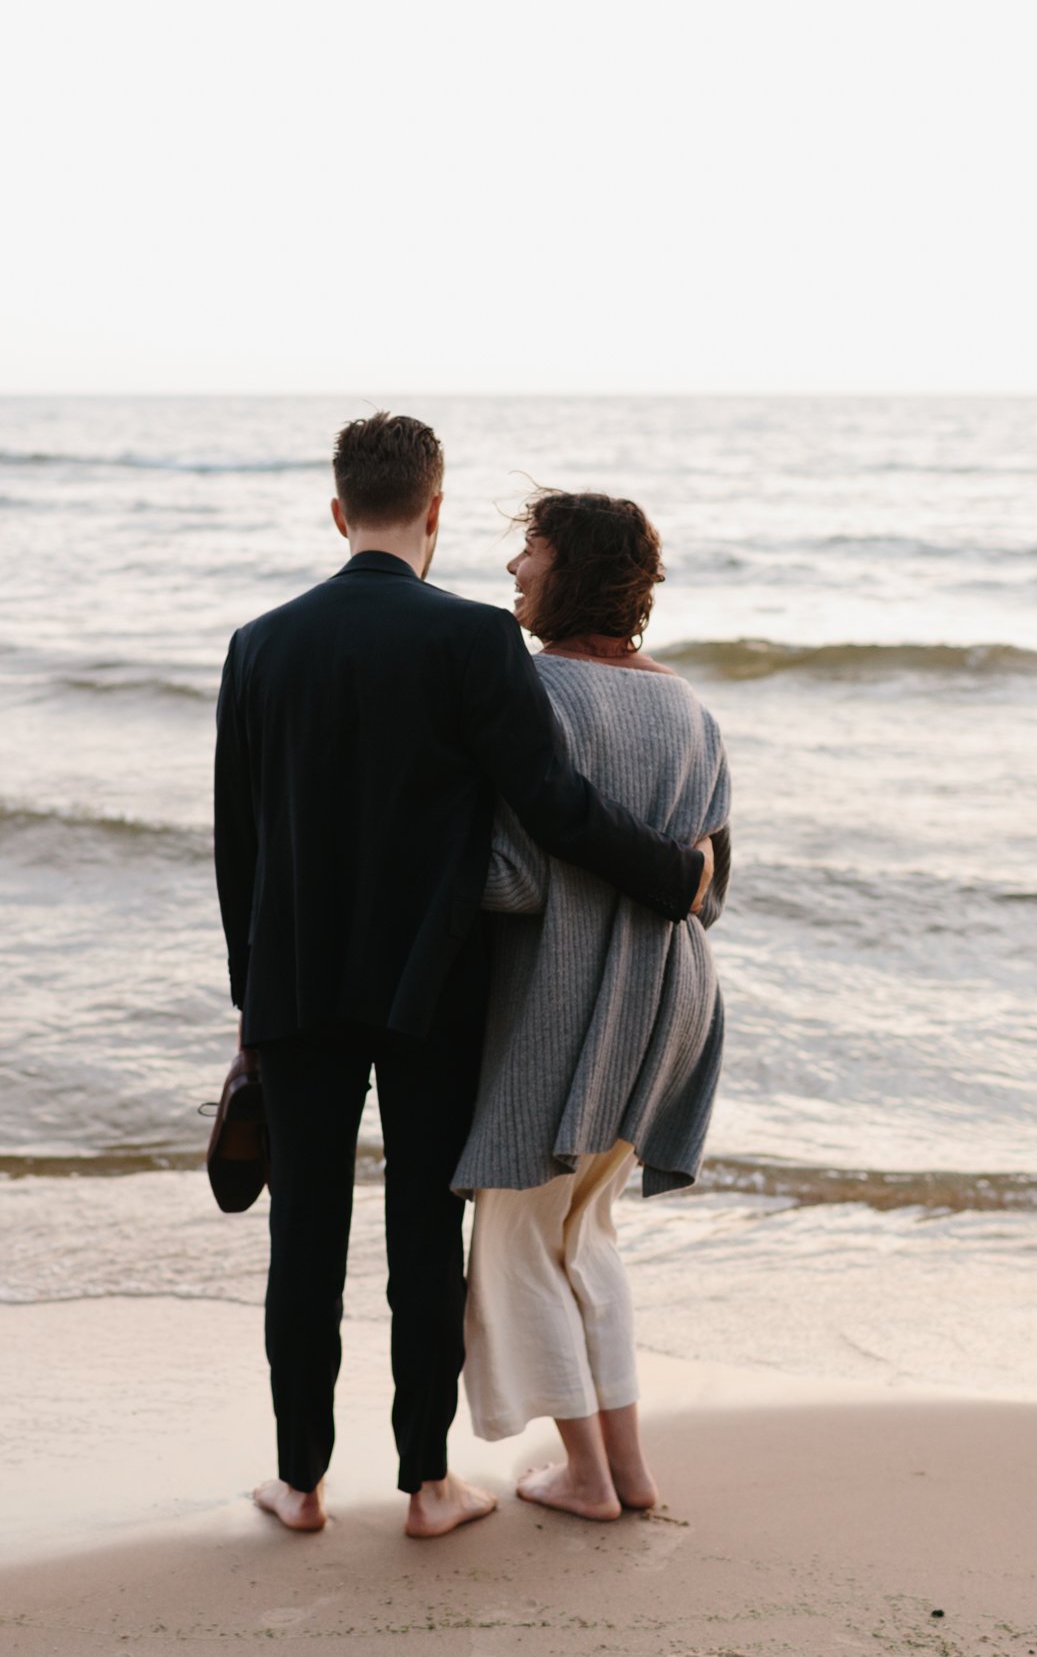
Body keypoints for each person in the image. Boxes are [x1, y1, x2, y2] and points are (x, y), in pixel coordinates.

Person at [213, 415, 714, 1538]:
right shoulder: (474, 641)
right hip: (432, 990)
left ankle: (298, 1483)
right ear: (434, 508)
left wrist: (251, 1008)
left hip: (292, 991)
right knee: (420, 1247)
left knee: (303, 1242)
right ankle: (427, 1482)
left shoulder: (258, 643)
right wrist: (675, 874)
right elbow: (554, 812)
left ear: (340, 511)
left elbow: (235, 851)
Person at [453, 489, 731, 1521]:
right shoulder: (689, 707)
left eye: (528, 549)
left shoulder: (538, 697)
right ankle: (627, 1467)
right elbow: (711, 884)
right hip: (673, 1000)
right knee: (588, 1232)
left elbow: (513, 881)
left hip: (571, 998)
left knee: (520, 1235)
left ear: (566, 567)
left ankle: (584, 1474)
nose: (515, 568)